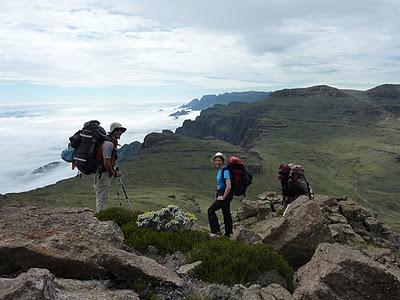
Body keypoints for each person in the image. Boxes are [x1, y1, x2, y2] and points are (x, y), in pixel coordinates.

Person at [94, 122, 126, 212]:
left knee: (102, 196)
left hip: (102, 173)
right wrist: (114, 173)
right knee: (102, 197)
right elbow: (106, 162)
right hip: (103, 174)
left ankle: (100, 217)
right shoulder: (109, 144)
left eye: (121, 130)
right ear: (112, 131)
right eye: (117, 130)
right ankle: (101, 219)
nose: (119, 132)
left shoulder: (110, 142)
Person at [207, 152, 234, 238]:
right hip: (222, 193)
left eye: (219, 160)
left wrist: (223, 196)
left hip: (225, 194)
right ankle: (228, 233)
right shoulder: (220, 170)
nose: (217, 162)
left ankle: (216, 231)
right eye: (215, 161)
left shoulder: (225, 170)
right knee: (226, 212)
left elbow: (229, 186)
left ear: (223, 161)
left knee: (210, 210)